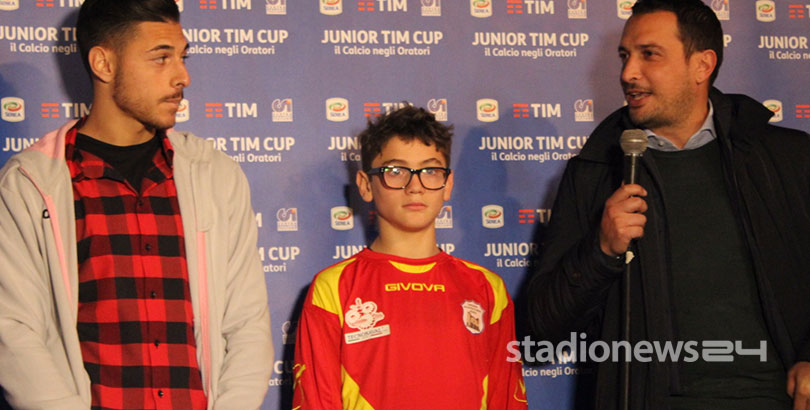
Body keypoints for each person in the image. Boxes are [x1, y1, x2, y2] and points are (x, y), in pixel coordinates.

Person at [526, 0, 810, 409]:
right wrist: (600, 251)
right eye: (625, 55)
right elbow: (539, 331)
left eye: (649, 54)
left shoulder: (785, 158)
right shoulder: (595, 171)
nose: (628, 73)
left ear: (702, 65)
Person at [0, 0, 273, 408]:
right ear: (104, 64)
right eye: (161, 58)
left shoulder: (216, 175)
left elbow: (247, 324)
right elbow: (14, 332)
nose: (183, 76)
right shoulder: (30, 183)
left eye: (182, 57)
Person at [292, 106, 527, 409]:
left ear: (448, 184)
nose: (415, 186)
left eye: (430, 171)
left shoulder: (487, 289)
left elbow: (506, 399)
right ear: (365, 185)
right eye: (395, 172)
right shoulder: (333, 289)